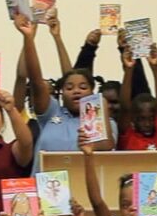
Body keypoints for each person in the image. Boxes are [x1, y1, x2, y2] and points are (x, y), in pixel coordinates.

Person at [19, 14, 116, 171]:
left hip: (83, 192)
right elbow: (36, 81)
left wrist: (100, 105)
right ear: (61, 93)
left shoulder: (106, 121)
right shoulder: (53, 111)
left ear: (93, 91)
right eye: (69, 88)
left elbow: (106, 147)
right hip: (46, 191)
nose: (76, 91)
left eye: (83, 87)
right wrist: (29, 37)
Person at [117, 44, 157, 151]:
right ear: (133, 120)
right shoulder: (128, 135)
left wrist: (155, 67)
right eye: (141, 119)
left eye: (151, 118)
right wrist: (129, 69)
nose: (147, 124)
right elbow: (125, 107)